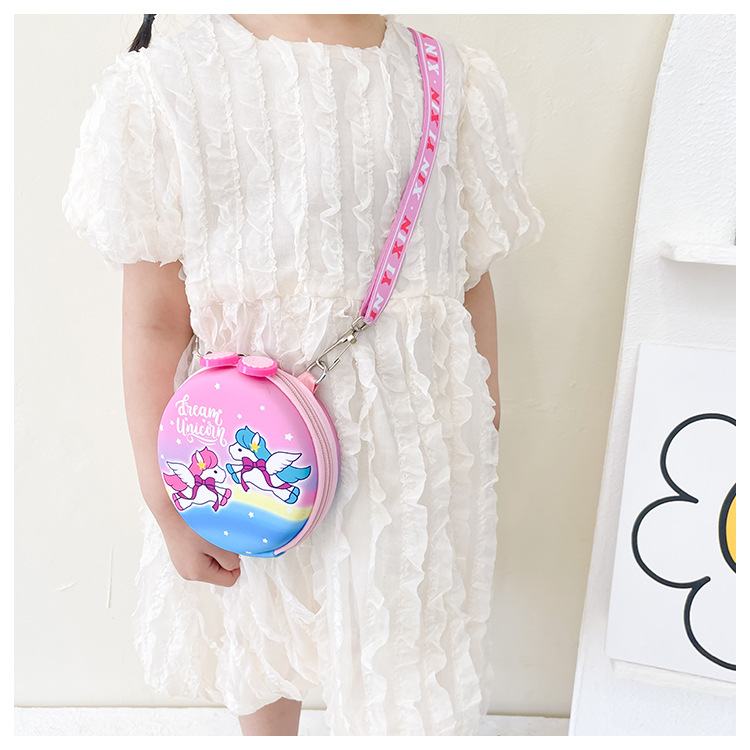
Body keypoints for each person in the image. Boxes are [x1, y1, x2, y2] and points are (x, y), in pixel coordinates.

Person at [62, 13, 543, 736]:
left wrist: (486, 405)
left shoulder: (449, 81)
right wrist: (163, 494)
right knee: (258, 616)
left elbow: (467, 274)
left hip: (411, 444)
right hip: (248, 441)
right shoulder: (173, 83)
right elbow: (156, 318)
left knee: (407, 638)